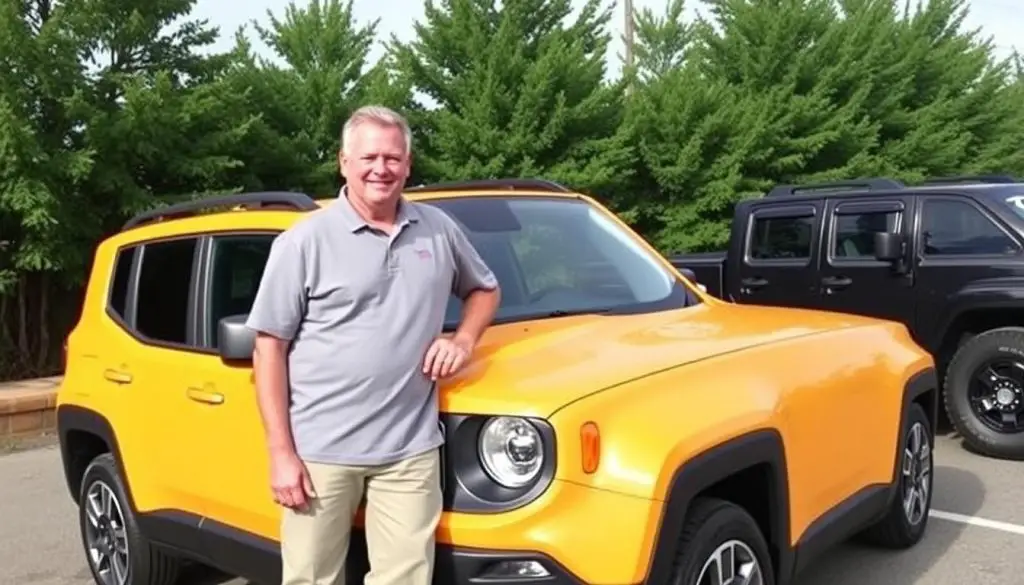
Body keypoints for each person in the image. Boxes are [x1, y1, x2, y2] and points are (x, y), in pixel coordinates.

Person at [245, 105, 501, 585]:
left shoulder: (438, 230)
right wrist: (281, 452)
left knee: (406, 579)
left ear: (407, 164)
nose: (380, 169)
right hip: (320, 451)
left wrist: (463, 339)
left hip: (410, 450)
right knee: (311, 579)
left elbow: (485, 290)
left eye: (392, 157)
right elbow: (268, 348)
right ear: (343, 162)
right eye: (368, 157)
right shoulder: (304, 242)